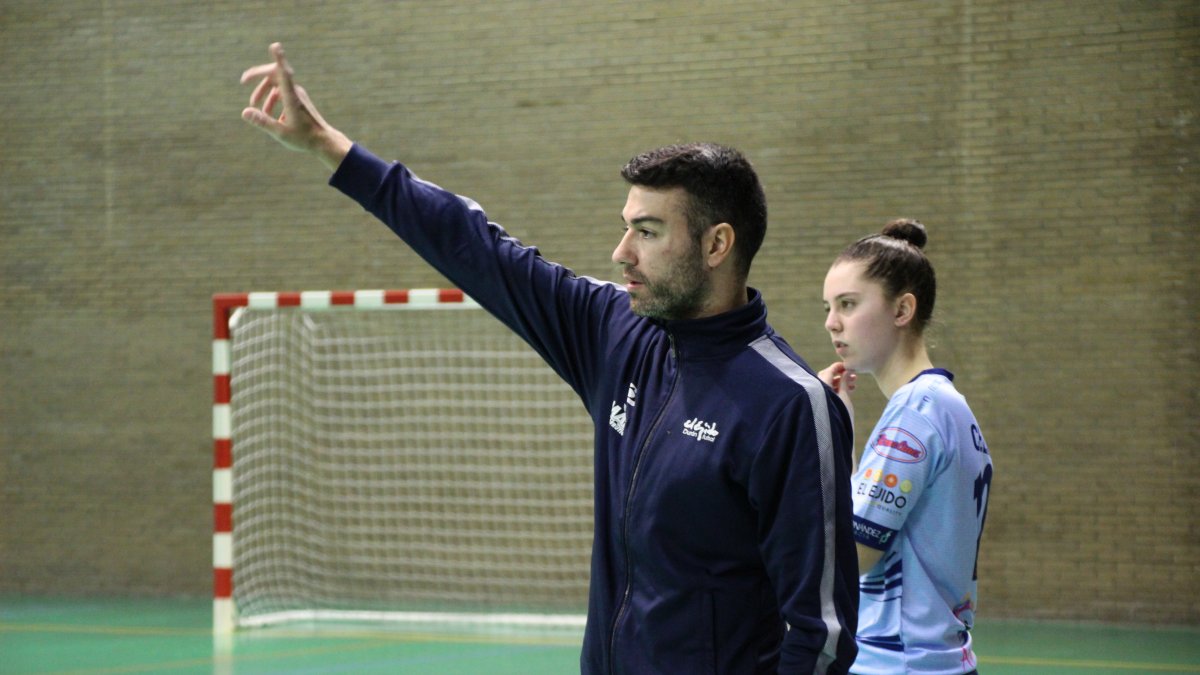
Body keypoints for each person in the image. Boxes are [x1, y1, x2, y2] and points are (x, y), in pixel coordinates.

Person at [240, 43, 859, 674]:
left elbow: (822, 635)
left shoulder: (789, 405)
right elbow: (477, 248)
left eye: (647, 232)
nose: (622, 252)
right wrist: (331, 148)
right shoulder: (615, 333)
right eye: (626, 226)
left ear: (717, 244)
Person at [817, 219, 993, 675]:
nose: (831, 322)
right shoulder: (946, 405)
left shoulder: (914, 413)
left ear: (902, 309)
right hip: (937, 659)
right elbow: (872, 522)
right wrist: (839, 426)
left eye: (848, 304)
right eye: (829, 307)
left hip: (898, 662)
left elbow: (854, 555)